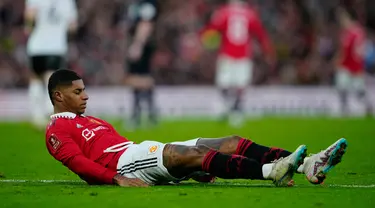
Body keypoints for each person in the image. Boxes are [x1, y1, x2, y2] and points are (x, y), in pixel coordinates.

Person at [45, 69, 348, 187]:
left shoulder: (92, 121)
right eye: (77, 92)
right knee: (194, 153)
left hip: (136, 154)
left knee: (229, 141)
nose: (85, 96)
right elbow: (80, 165)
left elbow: (124, 146)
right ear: (59, 96)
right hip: (126, 165)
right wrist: (117, 179)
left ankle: (309, 163)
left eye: (84, 90)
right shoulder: (57, 133)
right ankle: (273, 171)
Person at [200, 0, 275, 127]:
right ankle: (235, 111)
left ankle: (227, 108)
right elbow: (261, 34)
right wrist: (268, 50)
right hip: (244, 55)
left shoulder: (224, 12)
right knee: (240, 86)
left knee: (224, 84)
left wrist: (204, 37)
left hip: (227, 54)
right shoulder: (250, 14)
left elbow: (212, 29)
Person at [25, 0, 78, 129]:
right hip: (57, 46)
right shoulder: (67, 2)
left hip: (36, 45)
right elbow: (73, 26)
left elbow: (30, 17)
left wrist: (29, 27)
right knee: (52, 75)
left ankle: (37, 116)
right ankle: (50, 107)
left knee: (35, 77)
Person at [124, 0, 158, 130]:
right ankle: (149, 115)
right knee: (140, 78)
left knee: (139, 78)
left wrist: (138, 45)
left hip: (142, 45)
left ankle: (140, 115)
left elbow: (146, 24)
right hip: (140, 44)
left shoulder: (146, 4)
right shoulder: (140, 4)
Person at [335, 6, 373, 116]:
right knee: (342, 86)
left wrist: (360, 55)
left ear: (348, 18)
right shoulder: (344, 33)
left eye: (342, 18)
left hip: (355, 66)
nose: (341, 21)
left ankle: (368, 106)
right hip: (345, 65)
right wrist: (338, 60)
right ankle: (344, 109)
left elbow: (359, 48)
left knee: (359, 91)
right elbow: (343, 50)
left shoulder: (357, 31)